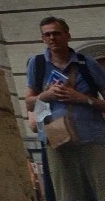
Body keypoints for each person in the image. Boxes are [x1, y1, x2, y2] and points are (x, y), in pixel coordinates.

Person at [25, 15, 105, 200]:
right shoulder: (36, 64)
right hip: (56, 139)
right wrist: (47, 95)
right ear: (42, 39)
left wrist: (83, 99)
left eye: (56, 33)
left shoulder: (87, 64)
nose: (52, 38)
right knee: (67, 194)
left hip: (92, 137)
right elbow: (29, 103)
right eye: (47, 35)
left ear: (67, 35)